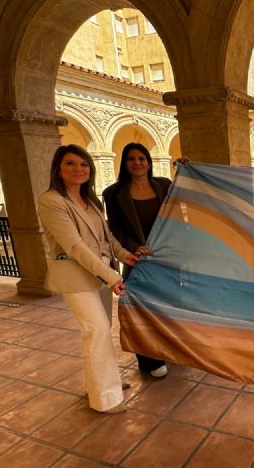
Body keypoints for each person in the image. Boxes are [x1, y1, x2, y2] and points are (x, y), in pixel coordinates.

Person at [38, 144, 140, 413]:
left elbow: (107, 237)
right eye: (70, 164)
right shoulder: (52, 201)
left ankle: (101, 382)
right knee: (97, 330)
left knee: (100, 331)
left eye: (83, 164)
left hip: (100, 272)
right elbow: (74, 246)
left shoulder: (90, 200)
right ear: (58, 169)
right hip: (76, 276)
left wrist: (125, 255)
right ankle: (104, 398)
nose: (79, 169)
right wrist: (112, 277)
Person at [103, 142, 175, 378]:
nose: (137, 163)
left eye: (142, 158)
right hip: (138, 259)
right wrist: (135, 247)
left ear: (149, 162)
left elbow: (186, 200)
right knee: (141, 309)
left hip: (166, 258)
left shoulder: (164, 185)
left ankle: (169, 349)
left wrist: (185, 168)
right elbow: (114, 229)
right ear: (124, 163)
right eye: (131, 159)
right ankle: (149, 361)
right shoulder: (113, 193)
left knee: (166, 307)